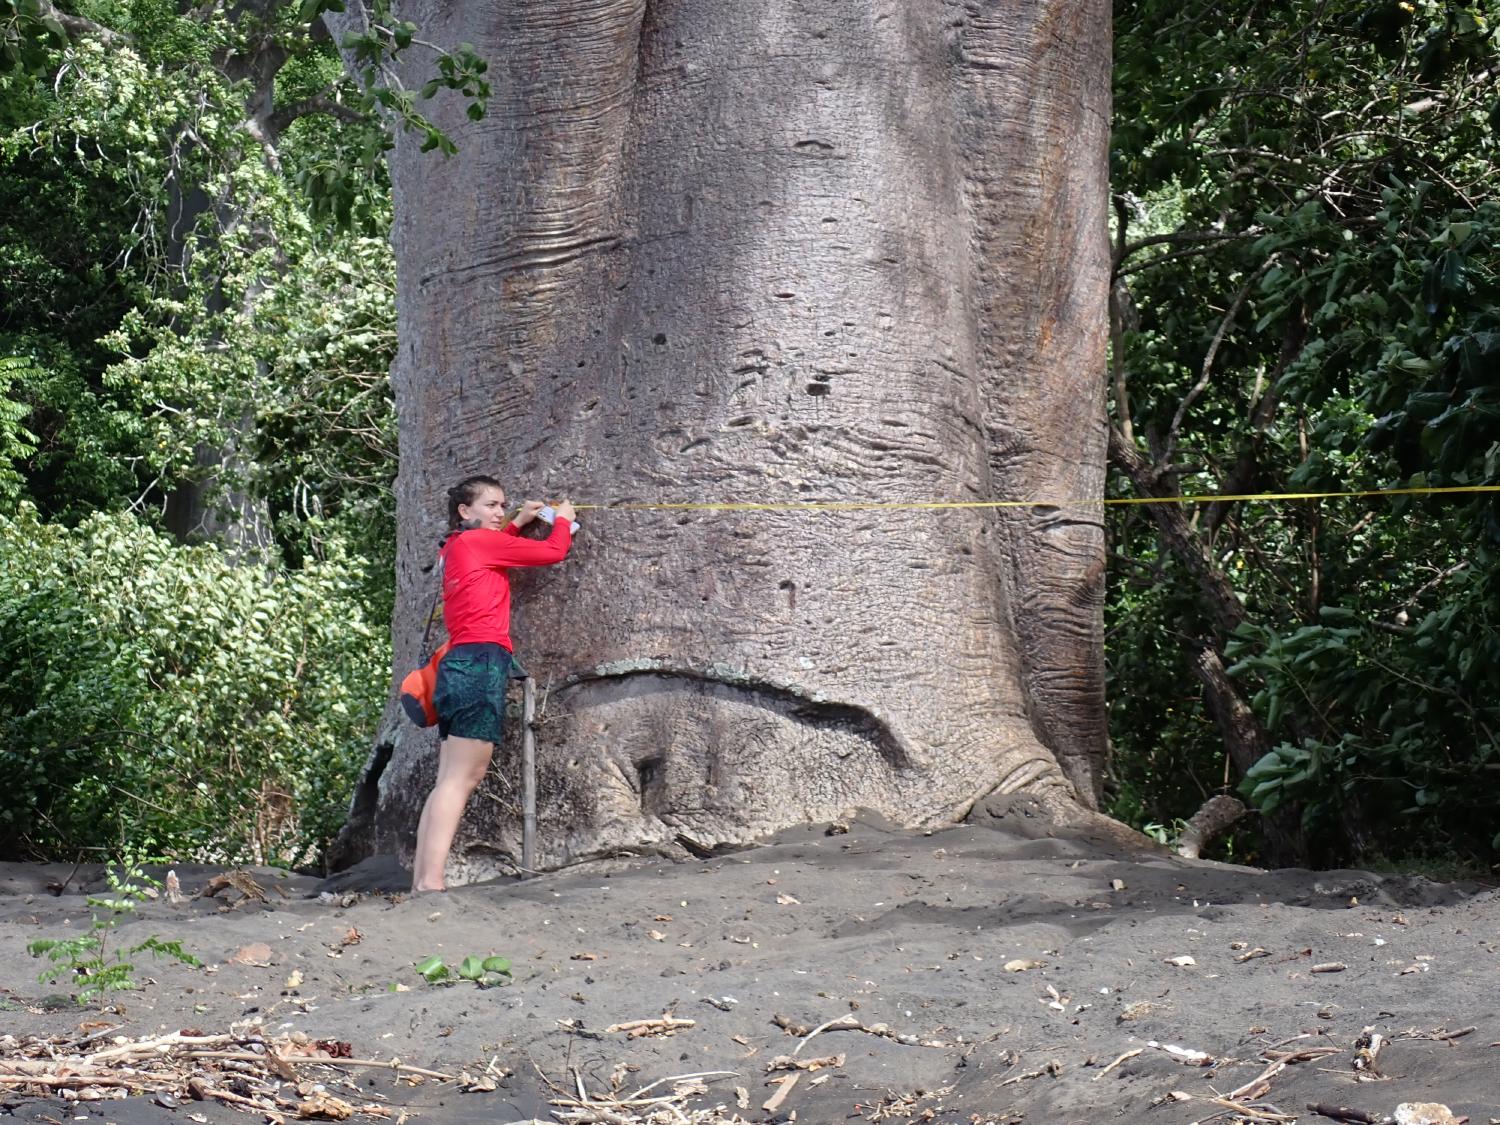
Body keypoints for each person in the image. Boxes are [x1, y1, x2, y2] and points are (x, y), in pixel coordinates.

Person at [411, 474, 578, 892]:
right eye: (491, 505)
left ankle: (422, 879)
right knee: (462, 777)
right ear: (465, 512)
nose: (500, 512)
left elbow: (496, 550)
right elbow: (554, 551)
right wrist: (564, 519)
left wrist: (518, 523)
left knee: (449, 777)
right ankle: (431, 882)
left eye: (503, 505)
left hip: (458, 665)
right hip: (480, 664)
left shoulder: (456, 547)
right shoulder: (478, 543)